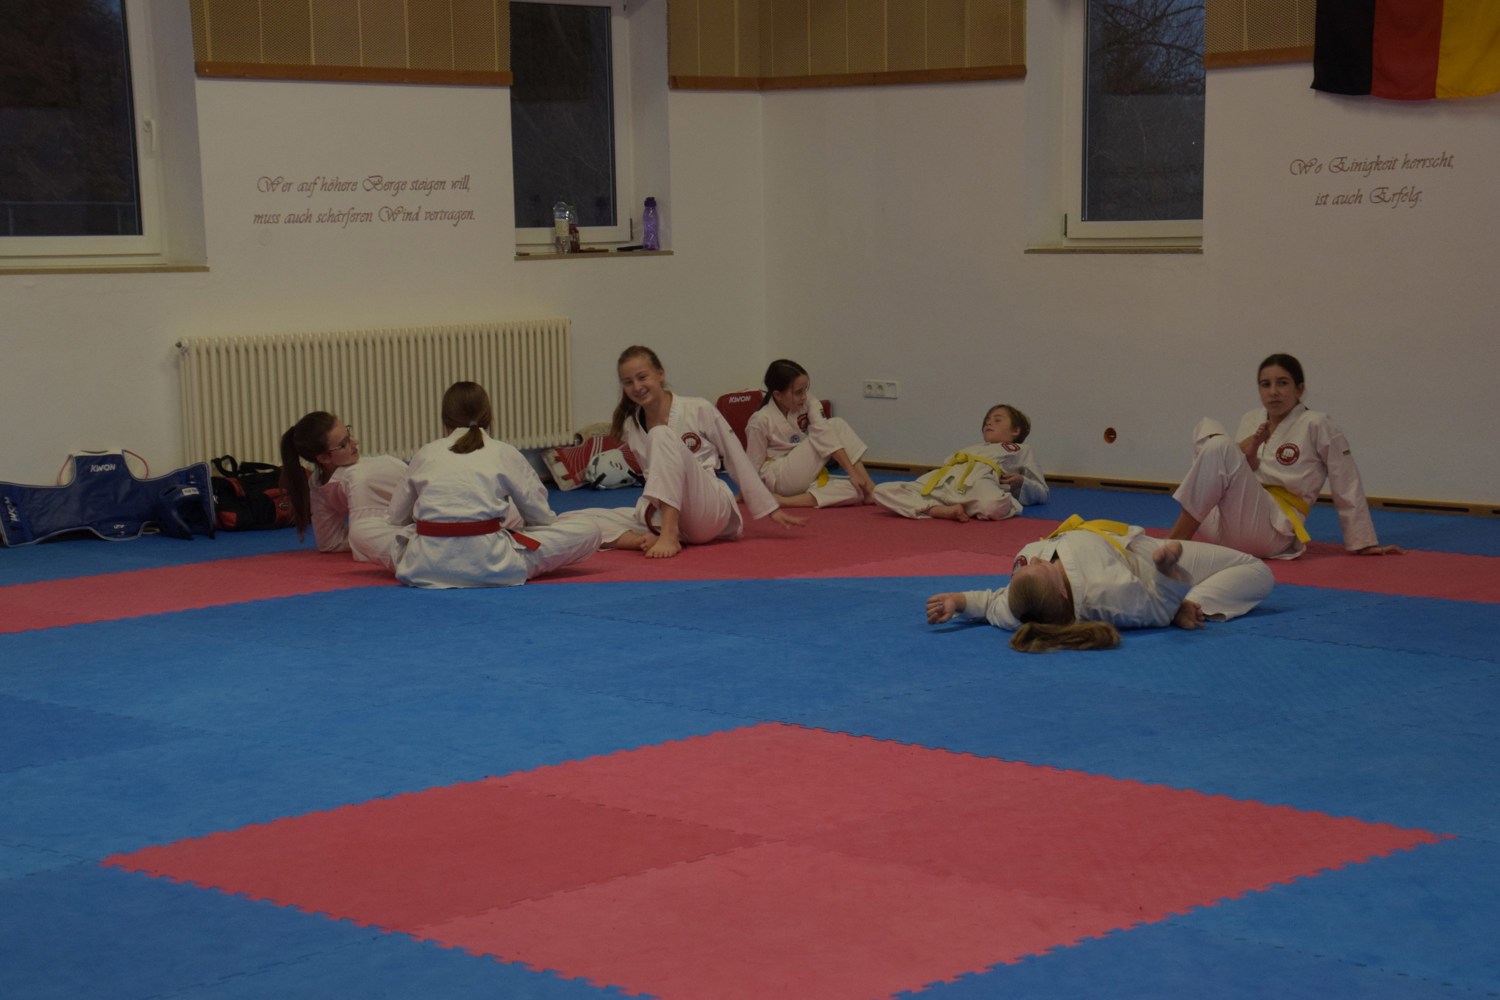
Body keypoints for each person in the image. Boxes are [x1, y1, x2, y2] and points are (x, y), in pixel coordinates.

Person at [570, 345, 806, 559]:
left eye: (642, 377)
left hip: (707, 508)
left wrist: (769, 506)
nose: (637, 387)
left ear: (660, 374)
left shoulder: (697, 408)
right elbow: (658, 479)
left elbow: (736, 456)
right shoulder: (631, 425)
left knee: (660, 434)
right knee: (575, 520)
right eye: (628, 382)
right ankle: (637, 540)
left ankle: (669, 534)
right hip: (669, 516)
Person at [1168, 353, 1402, 559]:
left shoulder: (1317, 424)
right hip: (1228, 523)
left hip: (1271, 530)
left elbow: (1346, 480)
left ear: (1299, 389)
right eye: (1265, 384)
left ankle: (1176, 539)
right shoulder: (1251, 419)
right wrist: (1246, 448)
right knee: (1206, 427)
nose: (1273, 392)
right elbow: (1240, 474)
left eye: (1282, 383)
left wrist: (1362, 541)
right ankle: (1183, 532)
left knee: (1220, 446)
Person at [926, 516, 1274, 652]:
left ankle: (1187, 599)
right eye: (1042, 569)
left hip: (1125, 542)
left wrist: (958, 601)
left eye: (1024, 570)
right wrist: (1167, 572)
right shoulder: (1105, 593)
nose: (1035, 561)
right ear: (1062, 591)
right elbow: (1156, 610)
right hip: (1148, 560)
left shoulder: (1016, 610)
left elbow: (991, 603)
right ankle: (1196, 602)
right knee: (1256, 570)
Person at [386, 381, 601, 588]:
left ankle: (420, 557)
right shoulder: (504, 452)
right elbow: (540, 517)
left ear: (445, 421)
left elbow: (396, 517)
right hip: (495, 564)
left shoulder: (426, 452)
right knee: (588, 529)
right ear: (490, 417)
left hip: (423, 563)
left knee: (368, 529)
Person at [874, 403, 1048, 521]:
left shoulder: (1022, 449)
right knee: (881, 491)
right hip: (943, 482)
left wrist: (1022, 482)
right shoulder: (971, 448)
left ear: (1016, 430)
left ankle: (943, 507)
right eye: (986, 421)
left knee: (993, 505)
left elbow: (1043, 492)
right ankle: (940, 510)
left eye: (997, 420)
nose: (989, 423)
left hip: (979, 483)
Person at [280, 412, 407, 571]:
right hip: (400, 518)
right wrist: (356, 539)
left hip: (424, 506)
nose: (355, 441)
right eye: (344, 444)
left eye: (349, 434)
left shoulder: (358, 478)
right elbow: (329, 543)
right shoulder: (317, 481)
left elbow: (366, 541)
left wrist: (358, 538)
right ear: (324, 458)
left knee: (362, 537)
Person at [744, 359, 876, 508]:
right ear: (777, 395)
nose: (804, 396)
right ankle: (870, 487)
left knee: (856, 490)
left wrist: (854, 476)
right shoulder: (760, 420)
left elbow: (824, 432)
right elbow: (753, 462)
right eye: (798, 392)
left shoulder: (808, 401)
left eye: (805, 389)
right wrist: (745, 493)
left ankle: (784, 501)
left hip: (805, 472)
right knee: (835, 424)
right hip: (781, 477)